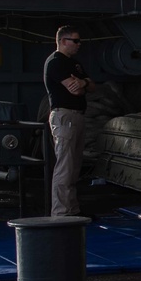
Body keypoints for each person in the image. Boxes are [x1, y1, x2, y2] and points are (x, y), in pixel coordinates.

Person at [43, 26, 95, 216]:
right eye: (75, 40)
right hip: (65, 116)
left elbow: (90, 86)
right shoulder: (56, 62)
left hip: (77, 116)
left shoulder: (75, 64)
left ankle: (72, 209)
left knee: (74, 166)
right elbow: (77, 89)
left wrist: (84, 83)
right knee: (65, 166)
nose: (78, 44)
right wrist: (83, 84)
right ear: (63, 41)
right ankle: (61, 212)